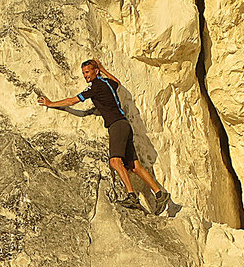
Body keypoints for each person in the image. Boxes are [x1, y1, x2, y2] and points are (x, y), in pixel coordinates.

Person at [38, 58, 171, 213]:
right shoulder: (107, 83)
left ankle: (131, 196)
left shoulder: (95, 87)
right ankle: (160, 194)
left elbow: (72, 101)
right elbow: (117, 82)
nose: (85, 76)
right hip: (124, 124)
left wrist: (50, 103)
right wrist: (102, 69)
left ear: (95, 72)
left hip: (116, 126)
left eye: (87, 72)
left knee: (115, 161)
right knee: (134, 166)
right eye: (83, 73)